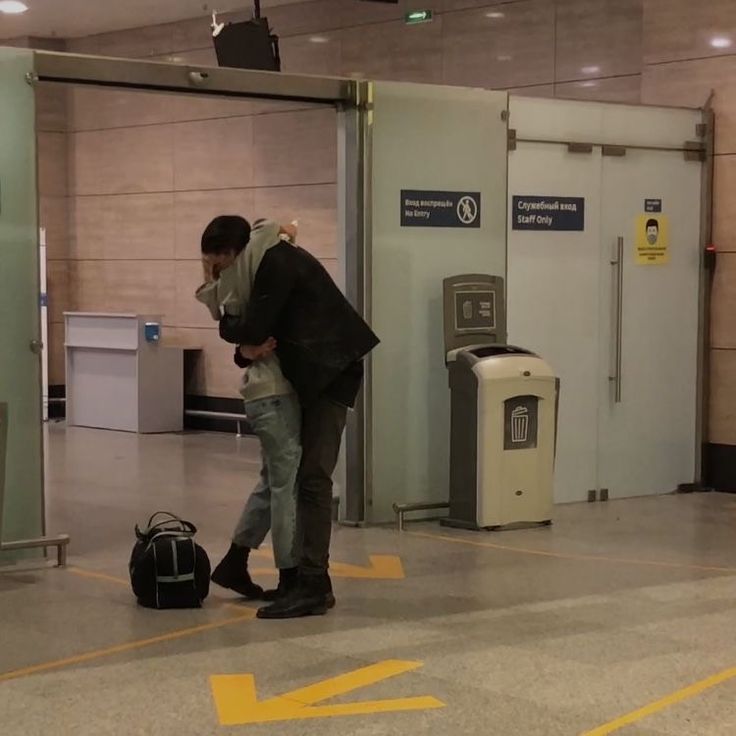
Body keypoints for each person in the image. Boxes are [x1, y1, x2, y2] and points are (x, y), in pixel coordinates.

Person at [217, 219, 379, 619]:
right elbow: (258, 340)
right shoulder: (274, 259)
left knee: (312, 479)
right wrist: (244, 346)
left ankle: (313, 584)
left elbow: (254, 327)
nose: (222, 278)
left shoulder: (276, 263)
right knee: (291, 478)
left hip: (331, 373)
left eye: (222, 267)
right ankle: (291, 575)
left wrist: (226, 323)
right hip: (314, 376)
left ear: (238, 253)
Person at [196, 217, 302, 602]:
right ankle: (290, 573)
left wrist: (243, 351)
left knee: (272, 481)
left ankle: (235, 561)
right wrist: (287, 228)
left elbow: (228, 325)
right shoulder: (245, 281)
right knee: (285, 486)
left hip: (263, 393)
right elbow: (269, 229)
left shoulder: (230, 287)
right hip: (272, 393)